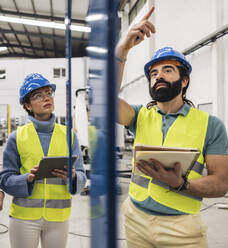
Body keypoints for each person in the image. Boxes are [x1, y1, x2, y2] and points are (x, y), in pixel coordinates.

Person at [116, 6, 228, 248]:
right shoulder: (139, 116)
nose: (158, 76)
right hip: (135, 219)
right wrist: (122, 49)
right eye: (153, 73)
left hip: (182, 229)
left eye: (168, 70)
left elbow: (221, 183)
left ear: (184, 80)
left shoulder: (211, 125)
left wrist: (181, 184)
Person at [0, 73, 86, 248]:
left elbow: (82, 176)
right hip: (24, 217)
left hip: (58, 218)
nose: (46, 98)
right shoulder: (16, 137)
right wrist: (26, 179)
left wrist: (73, 177)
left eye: (48, 93)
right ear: (27, 105)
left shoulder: (69, 135)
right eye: (38, 95)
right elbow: (5, 179)